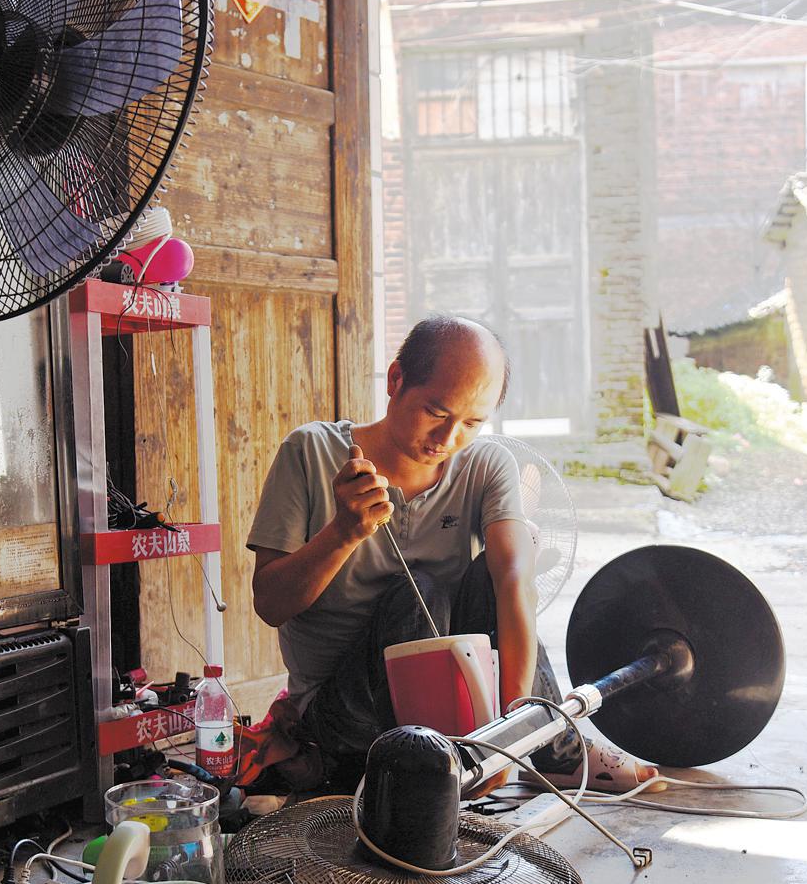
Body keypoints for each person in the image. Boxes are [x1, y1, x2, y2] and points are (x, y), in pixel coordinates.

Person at [247, 314, 657, 792]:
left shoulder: (485, 465)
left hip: (450, 689)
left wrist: (511, 734)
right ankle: (444, 767)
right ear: (395, 380)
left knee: (496, 573)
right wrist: (343, 532)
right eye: (436, 412)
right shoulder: (312, 452)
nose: (447, 439)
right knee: (419, 590)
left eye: (472, 423)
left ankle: (547, 747)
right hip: (341, 714)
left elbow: (513, 582)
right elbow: (270, 605)